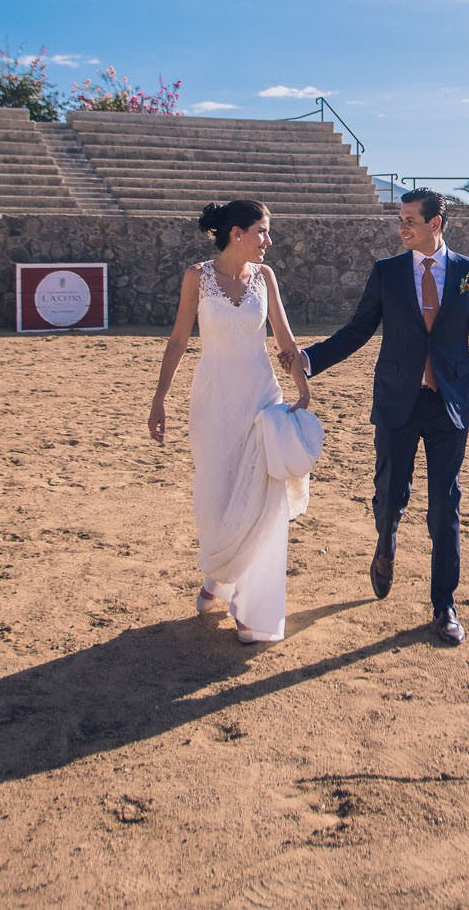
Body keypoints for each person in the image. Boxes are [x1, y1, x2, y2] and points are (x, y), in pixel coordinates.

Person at [301, 189, 469, 646]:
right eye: (400, 219)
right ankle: (386, 539)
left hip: (449, 404)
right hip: (396, 399)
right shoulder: (387, 273)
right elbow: (358, 329)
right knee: (390, 492)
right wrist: (310, 359)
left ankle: (444, 605)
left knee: (445, 505)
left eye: (410, 220)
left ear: (436, 224)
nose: (402, 228)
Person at [149, 200, 312, 644]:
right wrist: (159, 399)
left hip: (261, 399)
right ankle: (217, 578)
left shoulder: (266, 277)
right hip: (214, 401)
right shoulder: (196, 278)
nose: (268, 240)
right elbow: (179, 340)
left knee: (260, 500)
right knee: (217, 496)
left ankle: (247, 604)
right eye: (262, 231)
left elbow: (283, 336)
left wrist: (302, 385)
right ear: (236, 233)